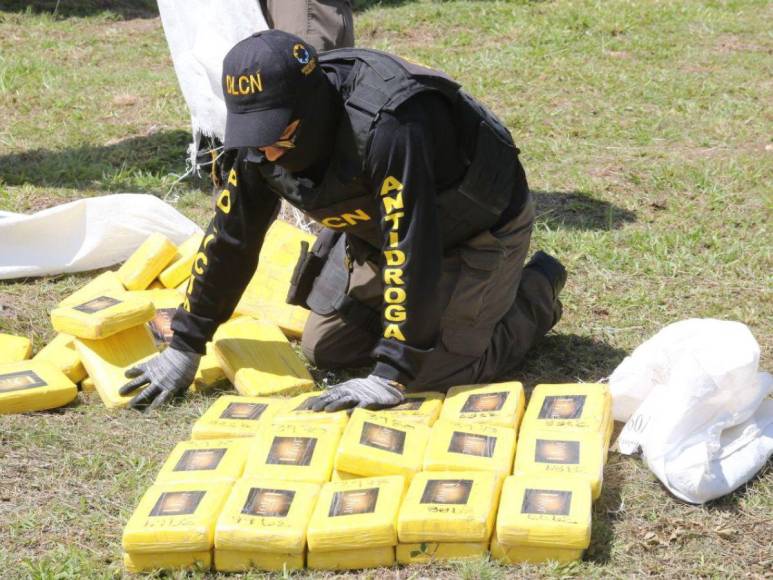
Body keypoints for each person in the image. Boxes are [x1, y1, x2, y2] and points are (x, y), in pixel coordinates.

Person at [119, 30, 566, 411]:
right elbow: (231, 238)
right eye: (256, 136)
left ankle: (535, 293)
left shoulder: (392, 122)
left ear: (312, 108)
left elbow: (414, 245)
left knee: (434, 375)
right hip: (377, 226)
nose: (268, 152)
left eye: (280, 136)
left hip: (474, 227)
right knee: (326, 349)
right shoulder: (259, 138)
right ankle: (446, 314)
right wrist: (185, 344)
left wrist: (392, 374)